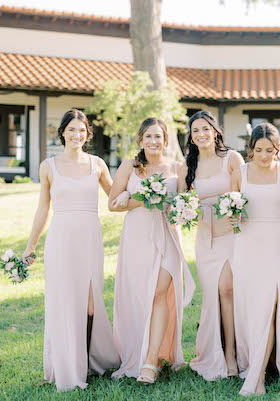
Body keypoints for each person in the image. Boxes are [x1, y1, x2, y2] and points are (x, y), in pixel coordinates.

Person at [22, 109, 119, 390]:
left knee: (90, 305)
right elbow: (43, 209)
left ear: (88, 134)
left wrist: (148, 192)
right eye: (72, 130)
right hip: (61, 239)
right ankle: (67, 366)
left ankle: (86, 359)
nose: (77, 135)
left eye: (82, 130)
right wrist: (30, 247)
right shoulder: (48, 166)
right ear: (62, 132)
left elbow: (115, 198)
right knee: (64, 302)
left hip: (90, 238)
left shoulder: (97, 164)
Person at [109, 117, 195, 383]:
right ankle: (138, 350)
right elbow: (113, 204)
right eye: (148, 137)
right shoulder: (128, 167)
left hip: (167, 235)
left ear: (166, 140)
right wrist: (139, 199)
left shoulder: (178, 168)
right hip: (137, 237)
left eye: (158, 136)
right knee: (140, 294)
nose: (154, 141)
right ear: (141, 140)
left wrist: (179, 209)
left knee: (160, 292)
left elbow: (184, 202)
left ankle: (151, 360)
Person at [231, 123, 280, 395]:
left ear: (277, 150)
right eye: (258, 150)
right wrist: (232, 217)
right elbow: (232, 207)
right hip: (246, 244)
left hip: (274, 243)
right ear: (250, 150)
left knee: (271, 306)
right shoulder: (240, 172)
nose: (263, 155)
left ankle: (258, 376)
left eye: (269, 150)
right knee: (252, 308)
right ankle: (256, 361)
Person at [179, 111, 243, 381]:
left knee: (227, 290)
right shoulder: (187, 167)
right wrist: (189, 212)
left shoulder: (232, 158)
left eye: (205, 129)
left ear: (215, 131)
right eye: (195, 131)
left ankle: (231, 355)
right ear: (191, 137)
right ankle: (212, 351)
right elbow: (183, 204)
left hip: (231, 235)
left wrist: (236, 211)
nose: (201, 134)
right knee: (212, 295)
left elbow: (243, 195)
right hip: (205, 238)